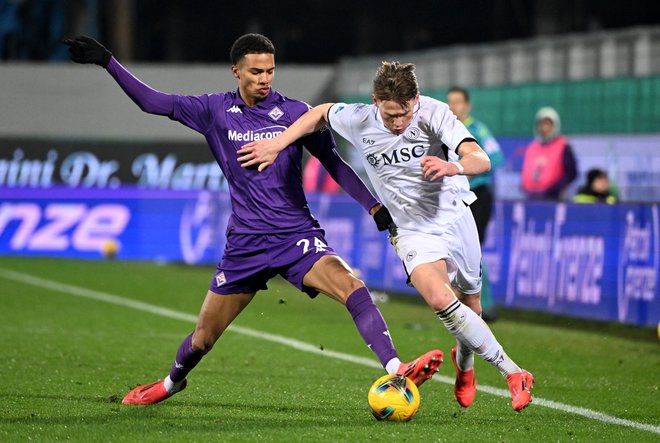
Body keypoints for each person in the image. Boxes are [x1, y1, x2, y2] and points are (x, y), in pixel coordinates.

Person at [64, 35, 443, 405]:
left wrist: (373, 206)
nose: (265, 79)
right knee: (203, 339)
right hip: (245, 244)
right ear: (236, 71)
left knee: (351, 285)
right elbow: (153, 102)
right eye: (256, 71)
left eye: (270, 71)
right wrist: (108, 61)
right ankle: (170, 383)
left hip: (295, 236)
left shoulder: (296, 114)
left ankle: (396, 368)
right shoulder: (213, 110)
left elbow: (334, 163)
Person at [239, 62, 534, 412]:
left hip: (454, 217)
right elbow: (319, 113)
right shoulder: (359, 118)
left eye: (405, 114)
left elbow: (480, 159)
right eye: (391, 115)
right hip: (410, 230)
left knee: (472, 307)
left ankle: (465, 366)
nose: (398, 123)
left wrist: (451, 166)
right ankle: (514, 373)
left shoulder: (434, 114)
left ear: (416, 100)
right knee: (441, 300)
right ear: (376, 101)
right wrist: (278, 143)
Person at [447, 86, 503, 322]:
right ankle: (464, 300)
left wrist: (469, 173)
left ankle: (485, 304)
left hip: (478, 195)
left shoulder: (476, 129)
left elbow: (496, 157)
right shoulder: (446, 129)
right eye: (450, 102)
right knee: (459, 248)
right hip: (456, 197)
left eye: (458, 102)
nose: (453, 107)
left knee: (473, 248)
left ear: (467, 105)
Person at [521, 106, 577, 200]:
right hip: (531, 197)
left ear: (555, 126)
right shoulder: (532, 147)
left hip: (553, 198)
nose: (544, 128)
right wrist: (526, 187)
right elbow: (525, 171)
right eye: (541, 124)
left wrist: (555, 189)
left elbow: (572, 173)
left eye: (548, 124)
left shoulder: (564, 146)